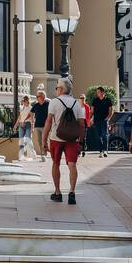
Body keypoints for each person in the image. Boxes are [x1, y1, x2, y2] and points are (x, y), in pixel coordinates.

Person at [42, 77, 87, 206]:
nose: (56, 90)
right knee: (72, 165)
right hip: (72, 139)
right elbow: (82, 124)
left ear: (61, 89)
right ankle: (72, 192)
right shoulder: (77, 104)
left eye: (57, 88)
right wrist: (81, 141)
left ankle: (57, 192)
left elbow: (48, 122)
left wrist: (44, 140)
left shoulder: (54, 102)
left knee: (56, 163)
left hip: (56, 138)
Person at [90, 86, 113, 157]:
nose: (97, 93)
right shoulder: (95, 100)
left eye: (99, 92)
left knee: (104, 135)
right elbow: (92, 111)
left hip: (104, 121)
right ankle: (100, 152)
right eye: (97, 92)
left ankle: (105, 151)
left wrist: (108, 118)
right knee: (98, 137)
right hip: (96, 121)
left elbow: (111, 111)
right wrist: (90, 119)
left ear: (103, 92)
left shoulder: (108, 100)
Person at [12, 95, 34, 159]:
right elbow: (19, 117)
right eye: (23, 100)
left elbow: (32, 117)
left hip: (28, 124)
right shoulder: (22, 108)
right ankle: (22, 155)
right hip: (21, 125)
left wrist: (32, 127)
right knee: (21, 140)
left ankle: (31, 153)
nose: (23, 102)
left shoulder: (31, 108)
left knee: (28, 139)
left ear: (28, 100)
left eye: (24, 100)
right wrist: (16, 125)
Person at [30, 86, 49, 161]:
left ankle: (44, 154)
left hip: (45, 126)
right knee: (39, 141)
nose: (37, 97)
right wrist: (32, 121)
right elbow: (31, 112)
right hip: (37, 125)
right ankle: (42, 153)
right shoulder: (36, 105)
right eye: (37, 96)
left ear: (43, 97)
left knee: (44, 140)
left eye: (38, 96)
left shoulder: (48, 104)